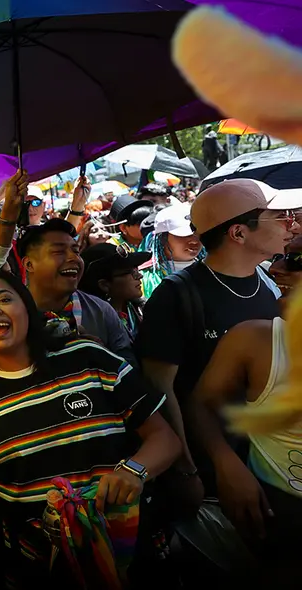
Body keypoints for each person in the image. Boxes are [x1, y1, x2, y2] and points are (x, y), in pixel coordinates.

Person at [0, 269, 179, 588]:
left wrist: (133, 472)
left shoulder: (87, 359)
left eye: (3, 299)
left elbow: (164, 438)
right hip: (38, 566)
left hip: (129, 550)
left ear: (27, 308)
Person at [137, 179, 299, 504]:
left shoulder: (271, 285)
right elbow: (160, 391)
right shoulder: (176, 296)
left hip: (270, 465)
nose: (291, 223)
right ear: (238, 233)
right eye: (279, 216)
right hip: (211, 474)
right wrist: (185, 469)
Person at [189, 256, 302, 584]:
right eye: (280, 256)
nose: (275, 268)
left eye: (296, 259)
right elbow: (201, 405)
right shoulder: (254, 340)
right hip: (279, 519)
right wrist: (226, 462)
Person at [17, 219, 137, 365]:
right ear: (29, 264)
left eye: (75, 251)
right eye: (59, 252)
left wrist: (100, 355)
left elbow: (130, 367)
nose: (73, 258)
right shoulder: (12, 314)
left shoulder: (101, 311)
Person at [79, 244, 151, 339]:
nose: (139, 276)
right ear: (104, 285)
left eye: (136, 270)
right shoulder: (92, 324)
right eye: (131, 272)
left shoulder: (142, 310)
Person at [141, 202, 204, 298]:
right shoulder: (144, 278)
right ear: (162, 238)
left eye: (198, 233)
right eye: (184, 235)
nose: (194, 241)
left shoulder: (215, 270)